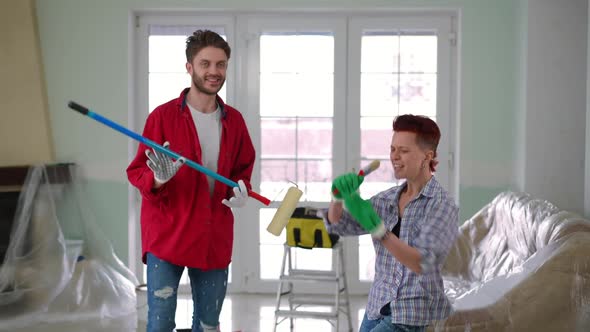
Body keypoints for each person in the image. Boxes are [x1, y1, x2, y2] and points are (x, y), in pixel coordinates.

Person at [127, 29, 255, 332]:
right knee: (160, 323)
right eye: (205, 64)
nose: (214, 72)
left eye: (221, 64)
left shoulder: (234, 121)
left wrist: (241, 190)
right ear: (190, 67)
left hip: (213, 236)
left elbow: (242, 169)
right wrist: (158, 179)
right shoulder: (162, 117)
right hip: (167, 234)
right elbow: (137, 172)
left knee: (208, 325)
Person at [326, 114, 459, 332]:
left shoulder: (442, 206)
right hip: (378, 306)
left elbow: (421, 263)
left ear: (428, 156)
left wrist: (380, 231)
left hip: (413, 313)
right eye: (392, 149)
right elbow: (339, 225)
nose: (394, 157)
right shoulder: (387, 200)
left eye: (404, 151)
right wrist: (337, 198)